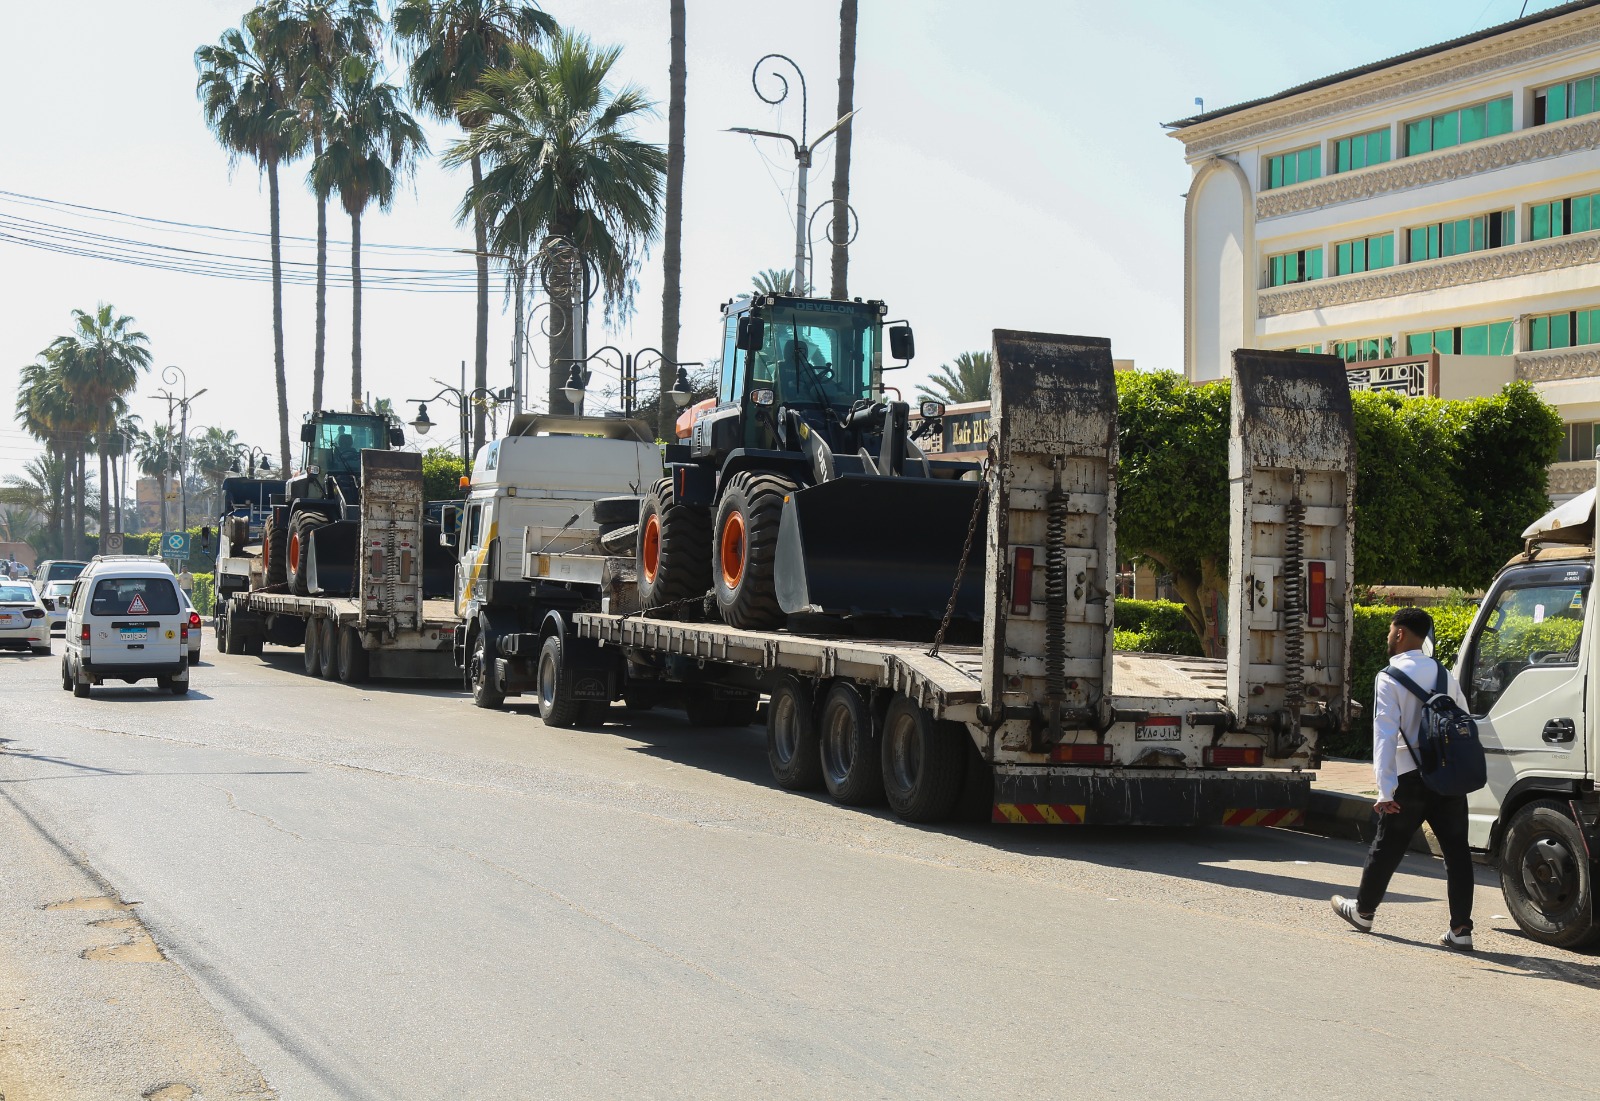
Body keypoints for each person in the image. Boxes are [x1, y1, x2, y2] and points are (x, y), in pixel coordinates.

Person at [1332, 606, 1476, 950]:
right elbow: (1465, 720)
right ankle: (1461, 930)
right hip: (1447, 777)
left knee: (1387, 847)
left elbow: (1384, 732)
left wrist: (1385, 789)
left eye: (1389, 630)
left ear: (1400, 633)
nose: (1388, 636)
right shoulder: (1443, 674)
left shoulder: (1389, 676)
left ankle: (1363, 912)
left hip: (1409, 779)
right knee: (1457, 853)